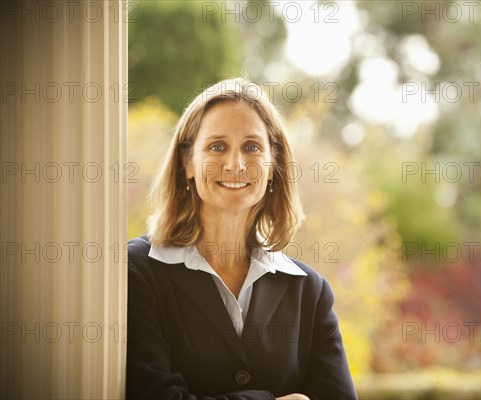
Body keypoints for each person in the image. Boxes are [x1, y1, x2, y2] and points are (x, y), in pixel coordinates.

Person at [126, 78, 357, 400]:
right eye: (217, 146)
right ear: (187, 163)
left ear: (272, 164)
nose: (235, 164)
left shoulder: (309, 291)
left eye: (252, 147)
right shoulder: (137, 271)